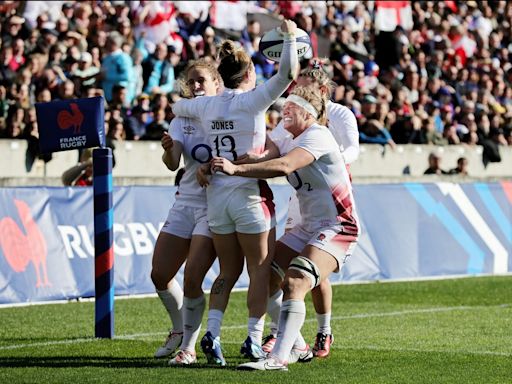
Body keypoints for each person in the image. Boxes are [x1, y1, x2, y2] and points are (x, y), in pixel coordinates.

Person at [173, 19, 299, 365]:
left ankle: (212, 334)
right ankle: (254, 339)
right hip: (248, 195)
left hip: (217, 196)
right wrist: (289, 37)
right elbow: (288, 74)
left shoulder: (205, 105)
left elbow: (176, 106)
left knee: (227, 272)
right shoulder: (252, 100)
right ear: (247, 75)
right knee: (259, 271)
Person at [210, 85, 360, 371]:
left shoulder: (318, 135)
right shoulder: (288, 133)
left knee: (295, 282)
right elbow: (263, 153)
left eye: (291, 108)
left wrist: (236, 169)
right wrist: (218, 162)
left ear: (308, 112)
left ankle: (278, 358)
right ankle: (298, 346)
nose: (284, 112)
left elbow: (284, 165)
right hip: (307, 225)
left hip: (339, 224)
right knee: (264, 279)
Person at [264, 63, 360, 359]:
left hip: (332, 205)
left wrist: (328, 160)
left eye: (301, 87)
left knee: (305, 274)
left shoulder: (333, 119)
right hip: (303, 198)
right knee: (267, 276)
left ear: (318, 91)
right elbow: (272, 149)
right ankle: (290, 339)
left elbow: (352, 149)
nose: (294, 92)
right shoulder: (293, 118)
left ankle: (321, 331)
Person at [151, 58, 223, 365]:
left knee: (193, 278)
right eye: (191, 81)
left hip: (215, 206)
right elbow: (173, 163)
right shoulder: (181, 118)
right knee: (160, 274)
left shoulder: (225, 113)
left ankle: (189, 348)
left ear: (216, 84)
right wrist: (168, 148)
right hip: (185, 202)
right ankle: (179, 330)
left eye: (201, 81)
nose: (195, 86)